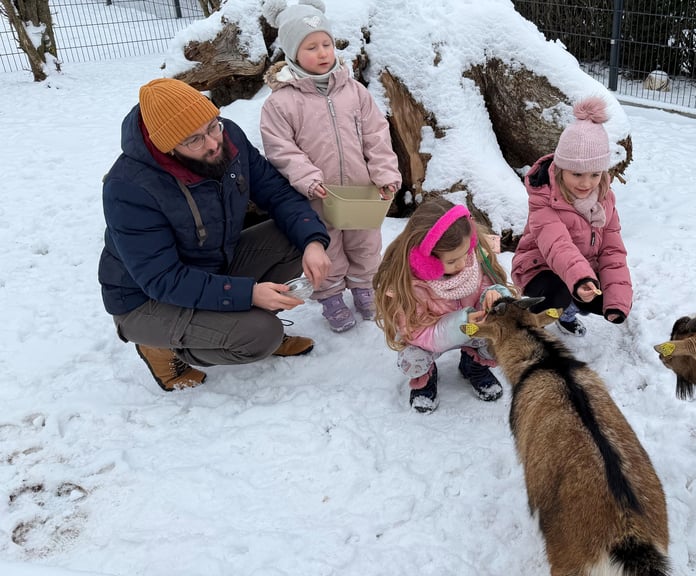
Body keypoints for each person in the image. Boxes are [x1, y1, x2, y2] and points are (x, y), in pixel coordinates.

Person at [98, 77, 332, 392]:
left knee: (297, 235)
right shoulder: (128, 188)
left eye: (212, 125)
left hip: (211, 264)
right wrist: (248, 293)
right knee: (260, 336)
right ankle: (162, 346)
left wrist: (313, 242)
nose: (211, 143)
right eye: (193, 139)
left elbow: (278, 194)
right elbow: (162, 279)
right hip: (145, 300)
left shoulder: (227, 137)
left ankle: (235, 320)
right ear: (167, 147)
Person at [260, 0, 401, 333]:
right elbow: (281, 149)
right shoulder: (281, 102)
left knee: (365, 243)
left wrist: (384, 173)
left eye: (326, 44)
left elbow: (377, 134)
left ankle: (365, 288)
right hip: (318, 194)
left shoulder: (354, 92)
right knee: (328, 246)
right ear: (292, 52)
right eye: (311, 47)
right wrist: (307, 179)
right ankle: (331, 297)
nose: (323, 52)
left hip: (362, 189)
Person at [373, 198, 515, 413]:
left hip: (472, 327)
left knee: (498, 335)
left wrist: (496, 298)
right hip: (430, 336)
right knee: (412, 358)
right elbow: (417, 333)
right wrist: (460, 324)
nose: (462, 264)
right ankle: (426, 376)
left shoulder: (472, 259)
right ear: (425, 260)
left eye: (466, 253)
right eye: (452, 261)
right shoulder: (409, 285)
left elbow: (488, 287)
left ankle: (473, 366)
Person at [511, 96, 633, 337]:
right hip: (539, 267)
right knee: (560, 293)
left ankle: (566, 313)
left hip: (580, 267)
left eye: (595, 174)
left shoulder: (605, 199)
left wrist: (617, 300)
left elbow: (612, 251)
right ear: (562, 168)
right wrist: (580, 280)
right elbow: (559, 246)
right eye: (577, 174)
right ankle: (527, 325)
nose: (586, 183)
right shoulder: (544, 199)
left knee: (601, 297)